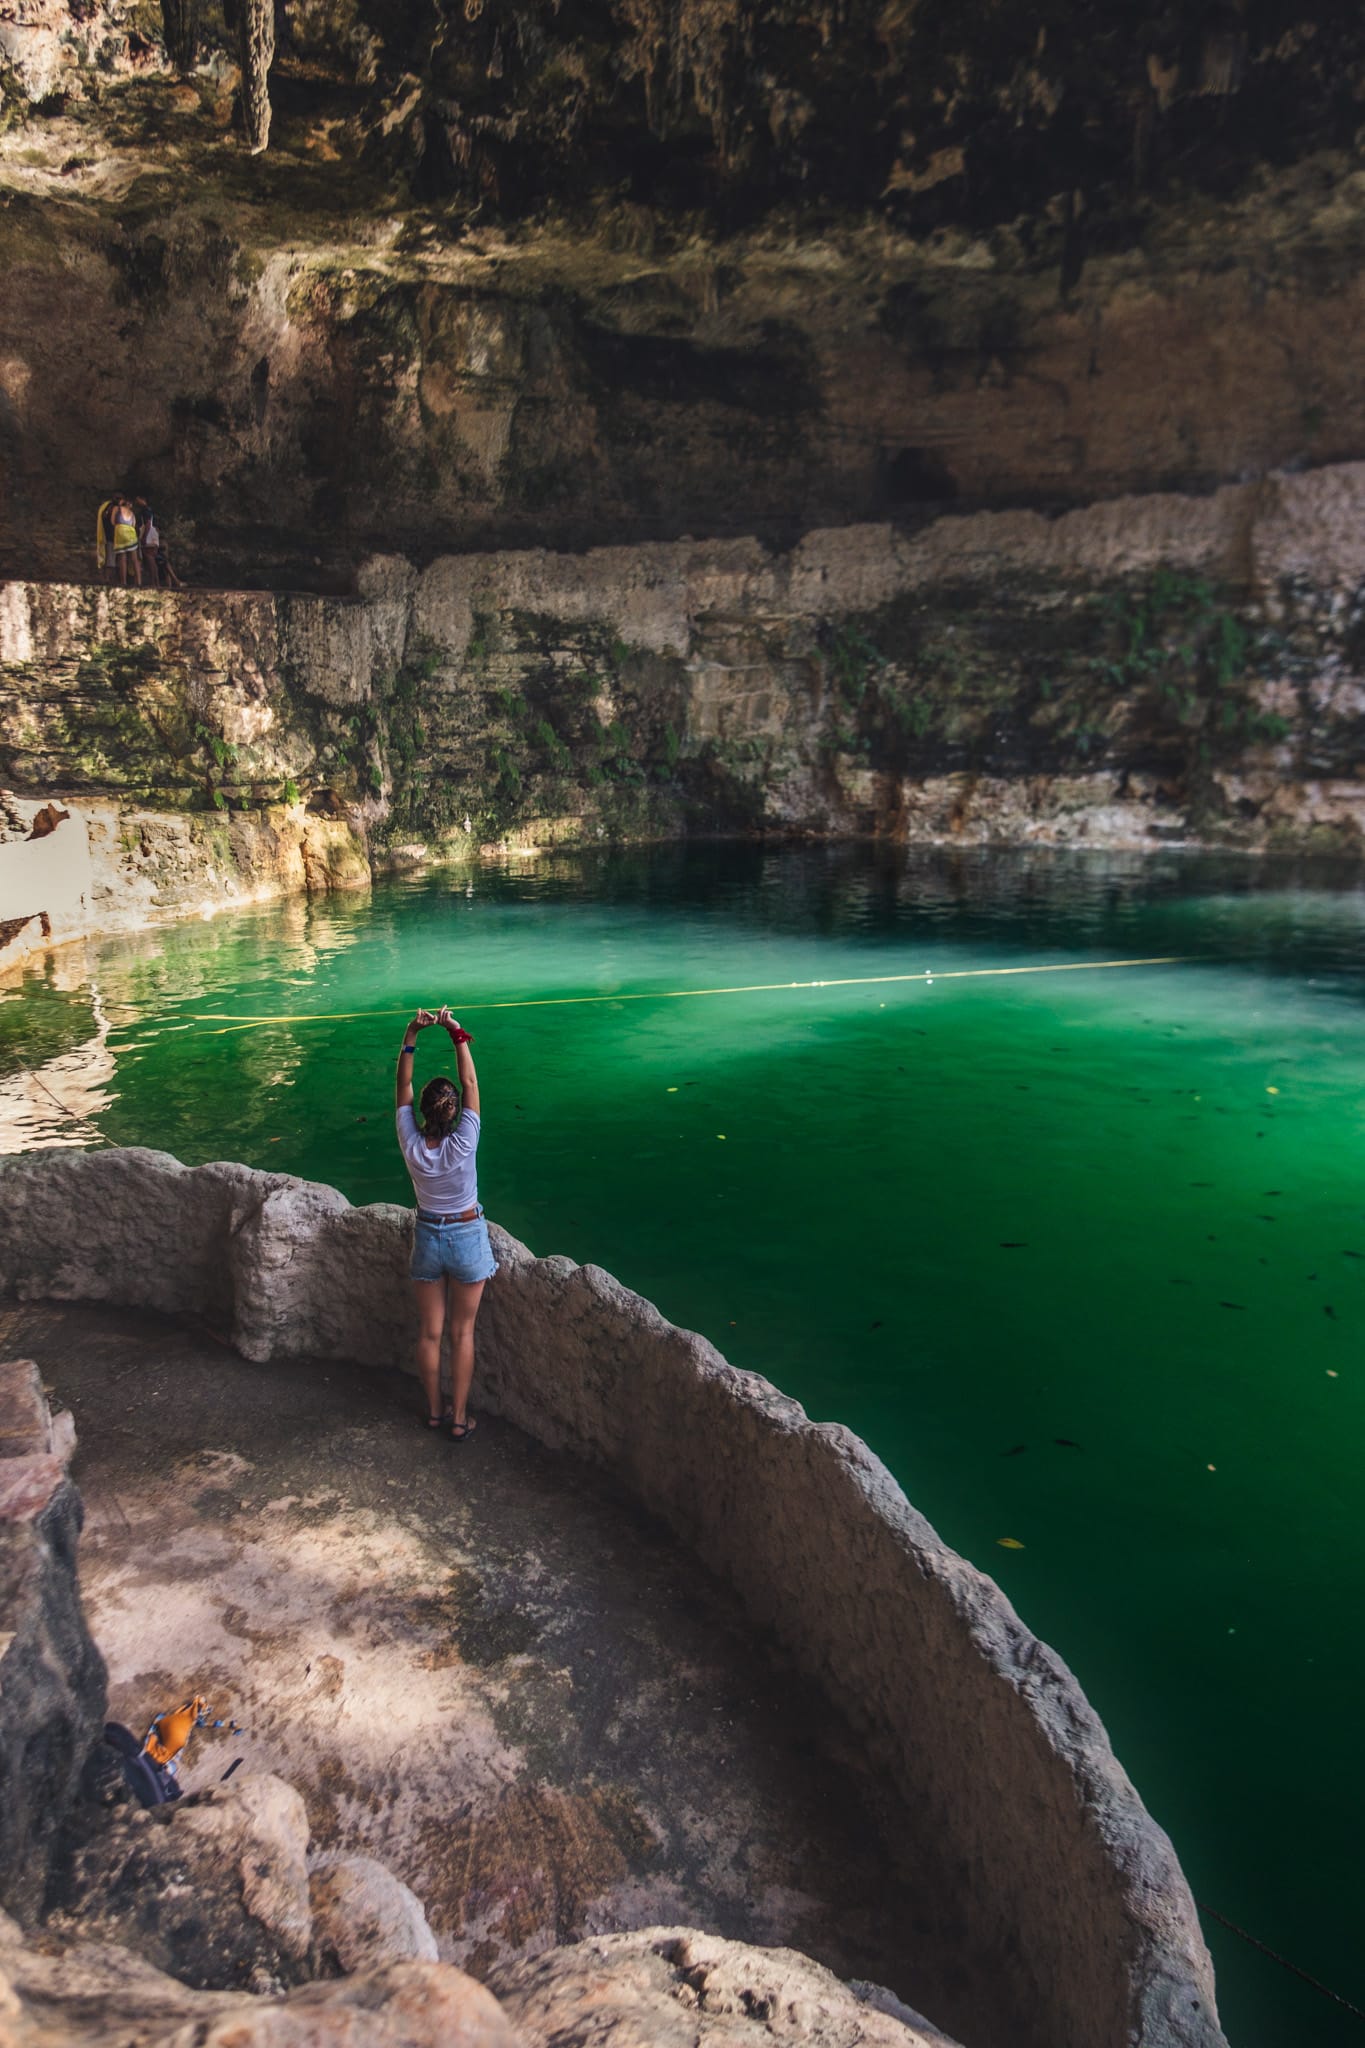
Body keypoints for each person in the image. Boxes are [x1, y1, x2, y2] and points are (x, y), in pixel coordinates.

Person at [394, 1004, 495, 1439]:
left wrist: (411, 1035)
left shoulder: (410, 1142)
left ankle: (434, 1411)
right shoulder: (466, 1140)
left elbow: (402, 1085)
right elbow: (470, 1081)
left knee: (431, 1334)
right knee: (462, 1333)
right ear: (454, 1111)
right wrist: (456, 1031)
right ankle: (458, 1420)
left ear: (425, 1111)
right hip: (467, 1233)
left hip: (428, 1236)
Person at [110, 495, 141, 587]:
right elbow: (134, 525)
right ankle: (138, 581)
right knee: (135, 559)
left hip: (120, 533)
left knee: (122, 559)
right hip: (131, 535)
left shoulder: (117, 508)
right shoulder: (132, 514)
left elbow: (112, 521)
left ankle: (123, 582)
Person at [136, 499, 162, 586]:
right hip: (152, 535)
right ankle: (156, 582)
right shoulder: (149, 510)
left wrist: (144, 536)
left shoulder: (146, 510)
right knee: (153, 561)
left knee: (150, 559)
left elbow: (148, 523)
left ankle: (153, 582)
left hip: (149, 536)